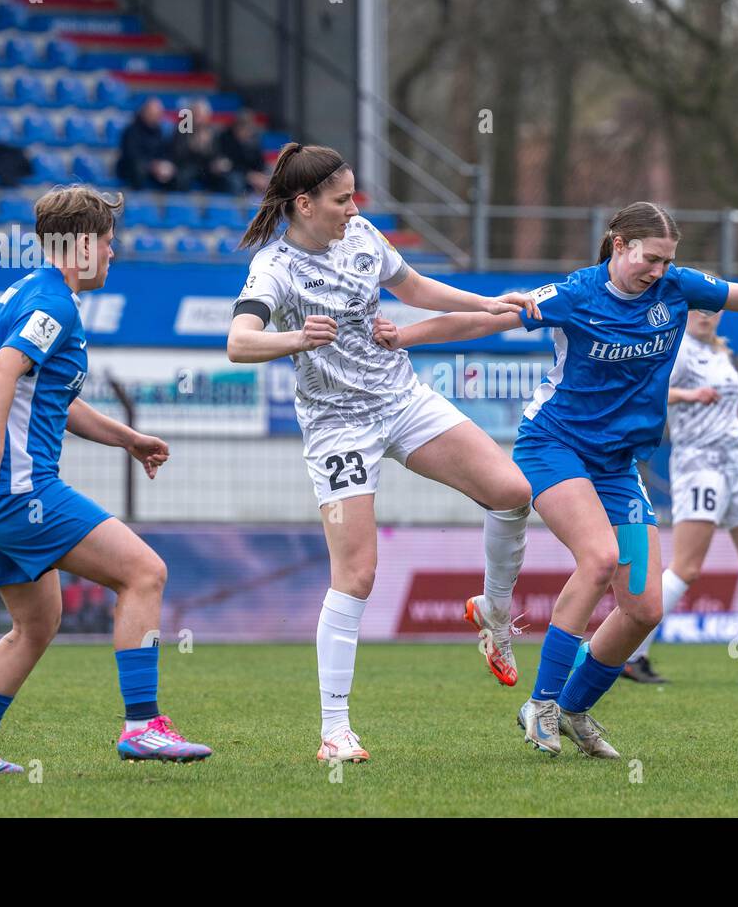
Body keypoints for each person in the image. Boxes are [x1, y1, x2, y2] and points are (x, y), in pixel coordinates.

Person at [375, 203, 738, 758]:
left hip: (617, 466)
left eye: (667, 261)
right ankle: (542, 704)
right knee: (598, 559)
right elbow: (485, 320)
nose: (659, 271)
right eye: (650, 259)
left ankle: (574, 708)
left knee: (644, 608)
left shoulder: (677, 288)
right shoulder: (575, 294)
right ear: (619, 245)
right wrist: (406, 337)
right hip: (555, 448)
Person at [226, 143, 536, 764]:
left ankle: (493, 614)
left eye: (354, 197)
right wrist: (296, 337)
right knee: (357, 574)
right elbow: (239, 343)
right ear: (304, 204)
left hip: (402, 399)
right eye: (342, 200)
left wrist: (488, 303)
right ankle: (334, 731)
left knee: (512, 492)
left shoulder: (363, 236)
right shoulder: (275, 267)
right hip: (338, 427)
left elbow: (414, 288)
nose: (353, 209)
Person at [0, 185, 211, 774]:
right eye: (109, 241)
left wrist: (128, 438)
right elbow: (3, 372)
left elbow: (50, 396)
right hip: (16, 488)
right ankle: (143, 727)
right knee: (144, 573)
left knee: (35, 625)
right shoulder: (55, 305)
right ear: (83, 244)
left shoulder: (27, 290)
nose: (114, 252)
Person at [622, 308, 738, 685]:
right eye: (698, 307)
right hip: (699, 464)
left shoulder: (720, 350)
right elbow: (645, 393)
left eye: (712, 307)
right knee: (686, 567)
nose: (705, 314)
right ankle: (632, 655)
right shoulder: (677, 348)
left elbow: (715, 411)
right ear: (685, 310)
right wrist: (688, 394)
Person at [171, 98, 238, 193]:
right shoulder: (183, 130)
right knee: (181, 177)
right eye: (196, 115)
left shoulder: (214, 132)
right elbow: (178, 155)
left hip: (210, 168)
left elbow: (219, 154)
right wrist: (193, 146)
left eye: (202, 115)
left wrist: (220, 162)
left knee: (231, 180)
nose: (199, 119)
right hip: (189, 166)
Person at [115, 97, 176, 190]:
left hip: (155, 169)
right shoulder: (131, 131)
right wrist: (152, 166)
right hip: (132, 167)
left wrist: (164, 164)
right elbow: (131, 154)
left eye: (157, 114)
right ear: (144, 112)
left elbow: (165, 152)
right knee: (138, 169)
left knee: (172, 171)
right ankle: (135, 195)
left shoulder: (161, 132)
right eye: (152, 113)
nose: (155, 116)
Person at [218, 110, 271, 195]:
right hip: (235, 173)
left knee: (271, 176)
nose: (246, 132)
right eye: (242, 128)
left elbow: (259, 161)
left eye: (248, 129)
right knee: (235, 181)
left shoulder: (254, 140)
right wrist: (249, 175)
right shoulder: (225, 139)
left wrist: (260, 175)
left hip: (252, 174)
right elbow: (229, 164)